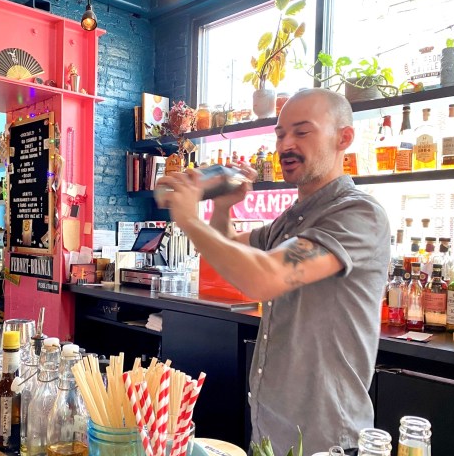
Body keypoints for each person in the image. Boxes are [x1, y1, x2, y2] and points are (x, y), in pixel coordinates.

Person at [156, 89, 390, 454]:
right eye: (281, 134)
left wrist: (187, 217)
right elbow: (230, 253)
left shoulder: (358, 214)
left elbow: (262, 278)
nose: (286, 145)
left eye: (302, 131)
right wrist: (222, 208)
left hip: (326, 441)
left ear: (344, 137)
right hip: (271, 433)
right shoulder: (293, 219)